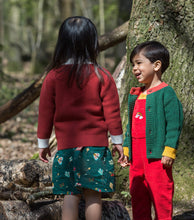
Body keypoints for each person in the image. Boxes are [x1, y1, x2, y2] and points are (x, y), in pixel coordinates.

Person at [37, 16, 124, 220]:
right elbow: (112, 112)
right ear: (92, 43)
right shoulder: (102, 75)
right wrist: (118, 141)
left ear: (62, 44)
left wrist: (43, 143)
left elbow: (45, 113)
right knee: (94, 195)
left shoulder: (53, 77)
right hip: (97, 148)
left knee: (70, 194)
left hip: (66, 148)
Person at [121, 41, 183, 220]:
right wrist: (127, 149)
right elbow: (129, 125)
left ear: (156, 65)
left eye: (139, 63)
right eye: (133, 64)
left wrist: (169, 151)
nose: (135, 68)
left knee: (161, 197)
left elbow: (174, 124)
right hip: (136, 159)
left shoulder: (166, 93)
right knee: (138, 196)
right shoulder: (135, 94)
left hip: (157, 159)